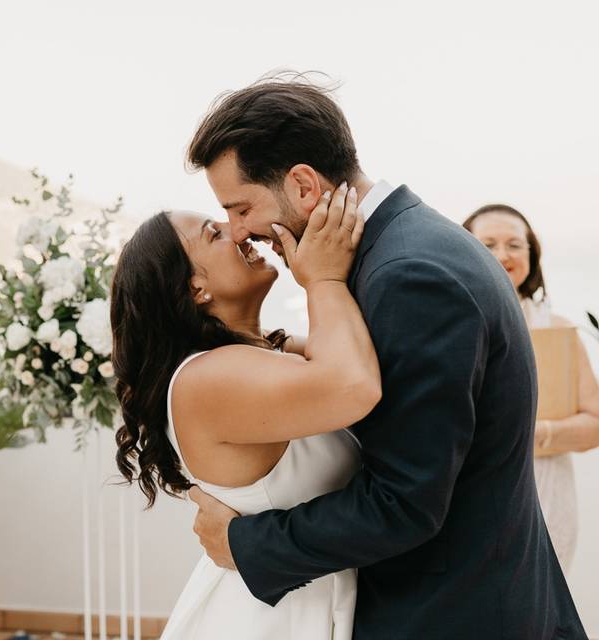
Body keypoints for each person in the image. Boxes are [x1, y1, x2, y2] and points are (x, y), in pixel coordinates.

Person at [184, 74, 585, 639]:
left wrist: (244, 543)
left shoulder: (407, 277)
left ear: (302, 184)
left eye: (240, 207)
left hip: (450, 614)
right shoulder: (408, 245)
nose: (239, 231)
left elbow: (406, 503)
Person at [111, 187, 378, 638]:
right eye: (214, 233)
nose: (238, 232)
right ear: (196, 288)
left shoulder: (261, 353)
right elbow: (355, 385)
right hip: (269, 617)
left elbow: (363, 354)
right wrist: (323, 280)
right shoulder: (208, 379)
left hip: (298, 593)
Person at [465, 203, 599, 574]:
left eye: (514, 245)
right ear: (465, 248)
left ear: (531, 254)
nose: (502, 255)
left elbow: (595, 425)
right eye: (487, 243)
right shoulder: (451, 322)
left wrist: (535, 433)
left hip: (548, 499)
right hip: (473, 503)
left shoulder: (558, 329)